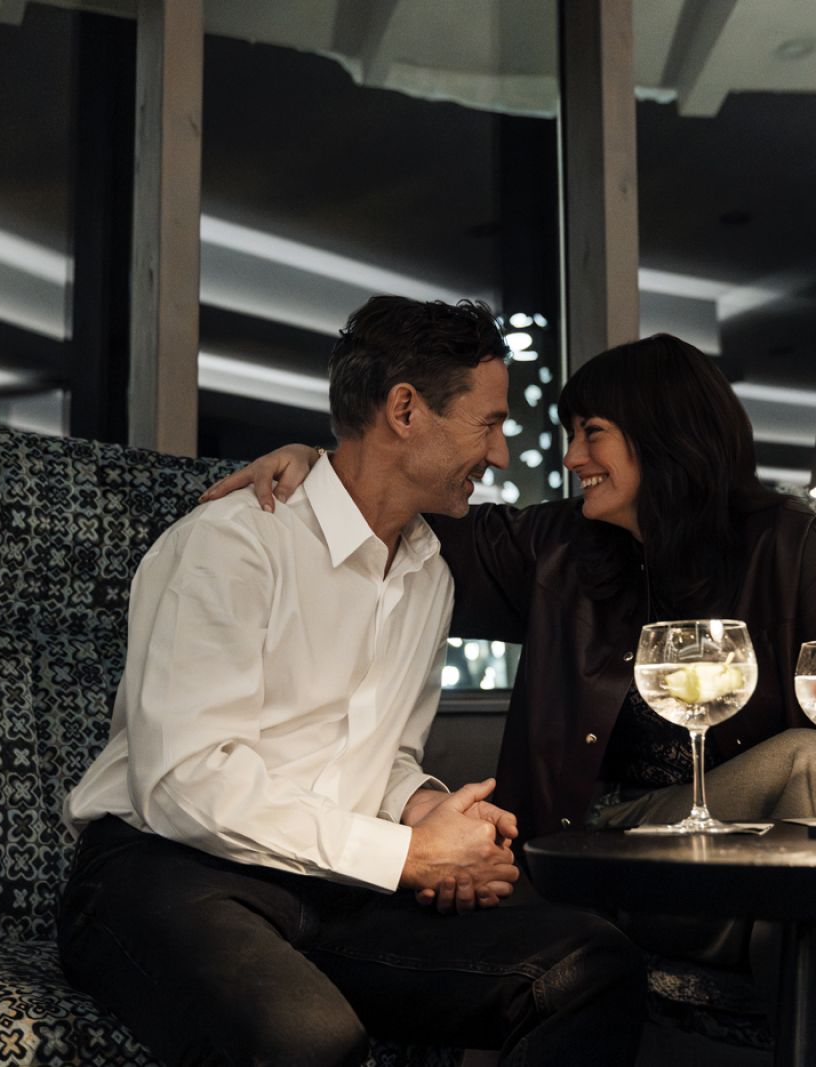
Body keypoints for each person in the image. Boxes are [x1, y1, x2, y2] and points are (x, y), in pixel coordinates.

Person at [203, 333, 816, 1067]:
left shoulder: (781, 539)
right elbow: (390, 505)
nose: (570, 456)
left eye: (591, 434)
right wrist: (318, 459)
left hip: (744, 872)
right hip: (589, 853)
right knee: (814, 772)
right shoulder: (554, 546)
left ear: (660, 436)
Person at [60, 296, 644, 1067]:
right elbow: (183, 783)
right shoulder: (231, 546)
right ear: (404, 410)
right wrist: (405, 854)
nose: (502, 455)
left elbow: (382, 754)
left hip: (332, 886)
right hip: (165, 870)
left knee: (592, 965)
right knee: (309, 1039)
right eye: (489, 423)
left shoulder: (429, 574)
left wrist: (424, 807)